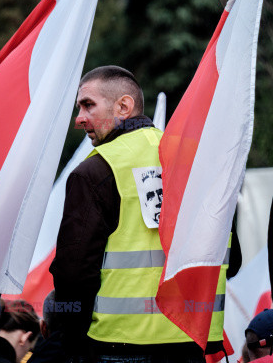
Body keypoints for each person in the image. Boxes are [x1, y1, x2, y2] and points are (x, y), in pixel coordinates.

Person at [49, 65, 240, 363]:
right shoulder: (200, 163)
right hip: (192, 343)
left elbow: (73, 274)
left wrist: (71, 344)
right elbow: (232, 259)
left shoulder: (95, 171)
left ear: (123, 106)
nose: (79, 119)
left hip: (118, 345)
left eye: (88, 105)